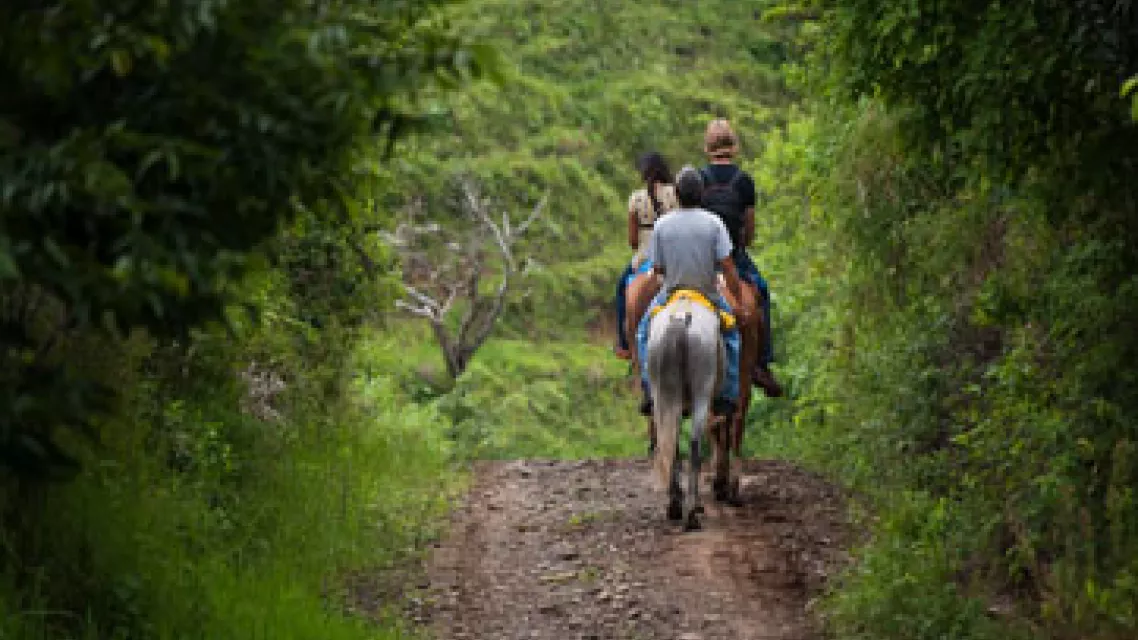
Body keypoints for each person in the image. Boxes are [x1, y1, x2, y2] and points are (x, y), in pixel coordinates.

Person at [635, 166, 748, 418]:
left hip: (671, 293)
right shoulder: (714, 223)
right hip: (708, 294)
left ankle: (648, 387)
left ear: (676, 193)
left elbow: (657, 268)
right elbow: (729, 267)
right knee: (731, 336)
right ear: (702, 194)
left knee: (643, 332)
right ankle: (728, 395)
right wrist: (738, 303)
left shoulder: (663, 224)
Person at [699, 119, 783, 397]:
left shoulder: (699, 178)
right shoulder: (743, 181)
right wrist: (739, 248)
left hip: (704, 261)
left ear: (707, 147)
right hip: (733, 257)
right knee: (762, 291)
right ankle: (761, 363)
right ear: (733, 147)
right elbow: (749, 228)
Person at [614, 152, 679, 360]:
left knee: (621, 288)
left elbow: (633, 241)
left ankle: (625, 345)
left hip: (645, 259)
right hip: (673, 260)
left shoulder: (636, 199)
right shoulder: (677, 194)